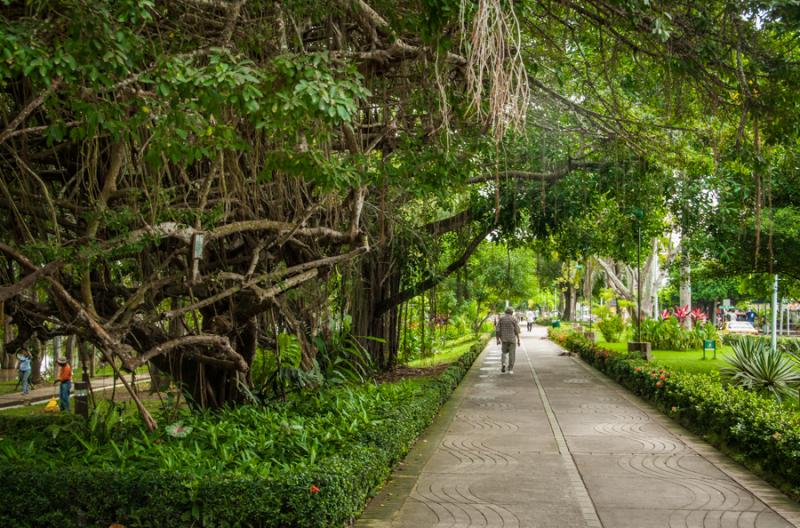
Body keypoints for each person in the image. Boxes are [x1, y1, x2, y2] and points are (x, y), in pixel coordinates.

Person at [496, 307, 521, 374]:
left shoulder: (501, 319)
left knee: (504, 353)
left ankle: (503, 364)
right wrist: (518, 340)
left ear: (505, 312)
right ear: (512, 312)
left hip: (504, 339)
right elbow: (517, 331)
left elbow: (497, 330)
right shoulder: (514, 319)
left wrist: (497, 340)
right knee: (512, 354)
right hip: (512, 339)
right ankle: (510, 369)